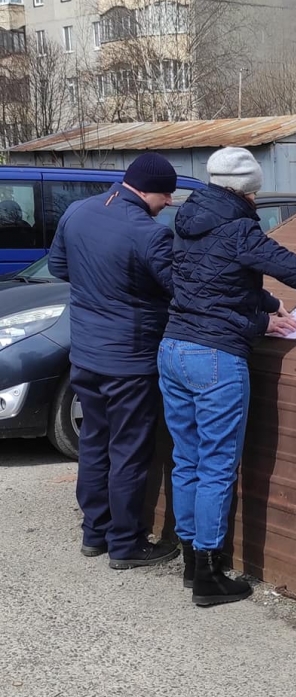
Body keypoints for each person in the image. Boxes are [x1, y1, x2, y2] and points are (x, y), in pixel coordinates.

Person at [158, 146, 296, 607]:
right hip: (215, 358)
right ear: (246, 190)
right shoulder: (239, 227)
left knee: (187, 460)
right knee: (217, 466)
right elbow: (289, 266)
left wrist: (266, 309)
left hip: (173, 349)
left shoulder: (186, 221)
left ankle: (190, 562)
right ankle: (210, 575)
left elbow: (207, 283)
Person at [49, 153, 181, 570]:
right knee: (128, 451)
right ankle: (126, 544)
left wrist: (100, 288)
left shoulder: (77, 211)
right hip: (130, 360)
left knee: (94, 442)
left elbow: (58, 267)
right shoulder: (149, 233)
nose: (168, 202)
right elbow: (177, 289)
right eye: (165, 194)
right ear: (146, 190)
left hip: (85, 355)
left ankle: (95, 533)